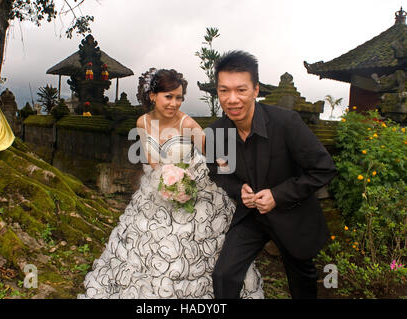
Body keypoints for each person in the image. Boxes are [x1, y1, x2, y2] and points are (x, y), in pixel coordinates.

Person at [78, 68, 264, 299]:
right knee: (143, 247)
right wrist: (166, 181)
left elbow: (211, 153)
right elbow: (151, 161)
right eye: (169, 96)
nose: (174, 103)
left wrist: (194, 178)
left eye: (179, 98)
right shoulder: (142, 122)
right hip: (156, 191)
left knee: (190, 246)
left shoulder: (186, 122)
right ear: (153, 96)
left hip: (192, 190)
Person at [207, 51, 337, 299]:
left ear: (256, 90)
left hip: (292, 214)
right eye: (224, 90)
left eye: (241, 90)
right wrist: (239, 189)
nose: (232, 99)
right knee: (224, 275)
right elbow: (218, 172)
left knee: (302, 282)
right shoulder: (215, 132)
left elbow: (323, 168)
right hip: (252, 216)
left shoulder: (286, 122)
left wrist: (278, 195)